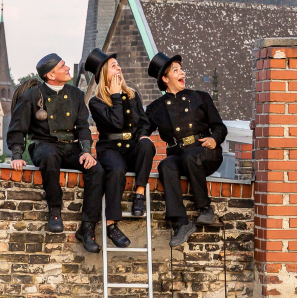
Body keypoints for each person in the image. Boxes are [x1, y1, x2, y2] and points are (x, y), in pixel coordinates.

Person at [7, 53, 104, 252]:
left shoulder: (76, 95)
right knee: (50, 158)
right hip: (44, 144)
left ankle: (87, 227)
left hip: (71, 146)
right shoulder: (31, 97)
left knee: (97, 170)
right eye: (62, 66)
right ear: (51, 75)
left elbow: (83, 127)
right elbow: (18, 128)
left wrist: (86, 151)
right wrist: (16, 155)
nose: (68, 68)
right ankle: (55, 210)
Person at [146, 51, 227, 247]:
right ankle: (181, 222)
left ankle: (205, 208)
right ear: (165, 79)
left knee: (191, 156)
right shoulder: (155, 108)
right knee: (166, 165)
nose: (182, 72)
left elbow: (219, 127)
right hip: (178, 154)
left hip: (205, 152)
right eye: (176, 70)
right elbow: (140, 133)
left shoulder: (200, 97)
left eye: (181, 69)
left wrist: (215, 140)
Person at [84, 48, 156, 249]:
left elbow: (144, 121)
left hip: (132, 146)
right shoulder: (96, 102)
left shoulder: (132, 94)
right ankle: (111, 225)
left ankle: (139, 195)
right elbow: (115, 123)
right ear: (104, 73)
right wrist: (115, 97)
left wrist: (142, 134)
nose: (119, 68)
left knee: (147, 144)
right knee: (116, 171)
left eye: (118, 64)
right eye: (114, 66)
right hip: (110, 149)